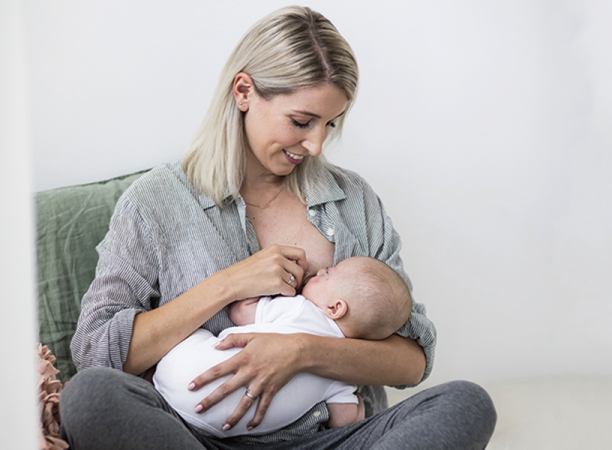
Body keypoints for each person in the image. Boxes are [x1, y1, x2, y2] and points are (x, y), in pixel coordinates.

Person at [60, 6, 497, 449]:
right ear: (244, 91)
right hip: (199, 439)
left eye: (330, 124)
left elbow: (411, 361)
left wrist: (304, 352)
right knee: (90, 396)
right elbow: (97, 353)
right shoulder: (155, 202)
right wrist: (229, 284)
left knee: (466, 403)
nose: (316, 144)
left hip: (331, 441)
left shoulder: (352, 201)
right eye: (302, 121)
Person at [153, 256, 413, 438]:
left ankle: (151, 376)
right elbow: (344, 422)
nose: (321, 270)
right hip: (221, 427)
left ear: (335, 308)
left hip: (180, 378)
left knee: (197, 333)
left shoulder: (299, 308)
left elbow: (239, 312)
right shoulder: (344, 375)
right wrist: (358, 405)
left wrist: (275, 288)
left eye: (328, 273)